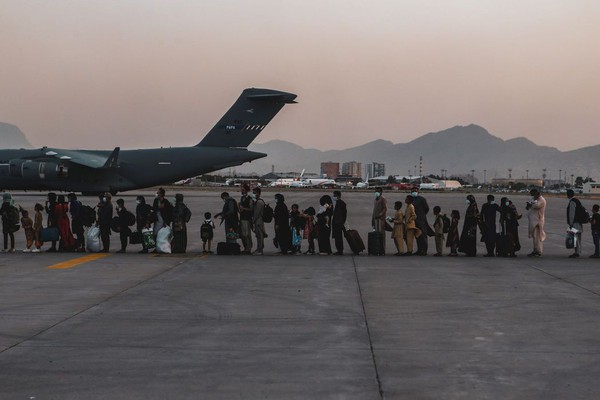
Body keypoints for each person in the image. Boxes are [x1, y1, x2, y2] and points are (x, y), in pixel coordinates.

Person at [411, 187, 433, 256]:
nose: (414, 192)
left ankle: (424, 250)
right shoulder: (411, 199)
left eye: (415, 191)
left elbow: (426, 208)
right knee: (418, 235)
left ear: (418, 191)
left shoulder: (421, 199)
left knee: (423, 235)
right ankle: (419, 249)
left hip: (421, 219)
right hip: (414, 220)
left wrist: (422, 215)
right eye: (413, 191)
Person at [526, 188, 546, 257]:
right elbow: (530, 205)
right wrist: (528, 205)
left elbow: (536, 205)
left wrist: (532, 202)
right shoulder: (533, 198)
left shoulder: (541, 200)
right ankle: (535, 250)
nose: (532, 196)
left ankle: (539, 251)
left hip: (539, 220)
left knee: (539, 236)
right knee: (534, 236)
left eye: (532, 194)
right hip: (533, 220)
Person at [566, 189, 585, 258]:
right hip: (579, 222)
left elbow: (572, 213)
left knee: (575, 237)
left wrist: (571, 223)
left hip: (575, 223)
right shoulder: (577, 200)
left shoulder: (572, 202)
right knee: (578, 237)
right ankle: (578, 251)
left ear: (568, 195)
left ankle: (576, 252)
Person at [238, 184, 254, 255]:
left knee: (247, 234)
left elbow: (251, 209)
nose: (242, 191)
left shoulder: (249, 198)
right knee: (243, 234)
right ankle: (246, 248)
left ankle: (248, 248)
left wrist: (243, 208)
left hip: (247, 218)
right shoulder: (242, 198)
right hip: (242, 217)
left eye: (243, 190)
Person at [331, 190, 347, 255]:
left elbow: (344, 214)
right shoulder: (337, 203)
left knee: (338, 237)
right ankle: (339, 249)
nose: (333, 197)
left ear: (338, 196)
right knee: (337, 237)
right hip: (336, 222)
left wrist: (342, 222)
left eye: (334, 195)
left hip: (338, 222)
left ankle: (340, 250)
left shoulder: (341, 203)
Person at [251, 187, 266, 256]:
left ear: (259, 193)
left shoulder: (259, 202)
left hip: (258, 221)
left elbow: (256, 213)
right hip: (258, 220)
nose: (253, 194)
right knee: (258, 236)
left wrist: (253, 221)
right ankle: (258, 249)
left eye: (255, 193)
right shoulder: (256, 201)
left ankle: (260, 250)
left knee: (259, 236)